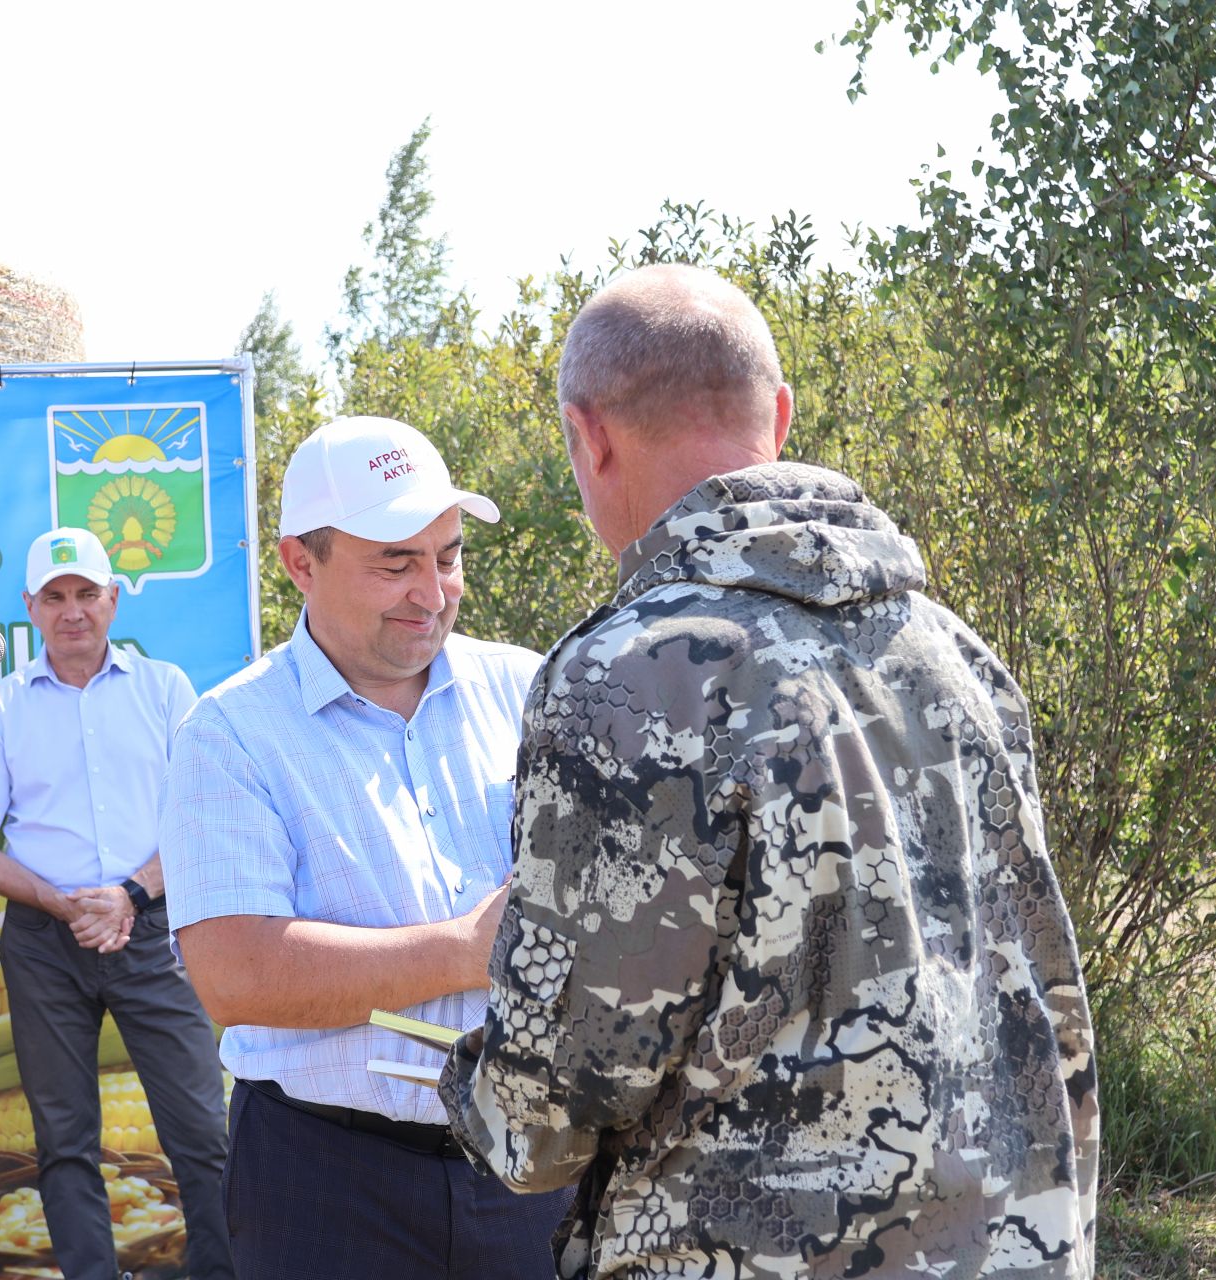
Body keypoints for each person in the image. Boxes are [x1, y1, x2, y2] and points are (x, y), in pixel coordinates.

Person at [439, 263, 1101, 1278]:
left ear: (591, 434)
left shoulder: (632, 674)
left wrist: (476, 1091)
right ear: (778, 415)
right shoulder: (955, 653)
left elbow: (559, 1094)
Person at [160, 415, 574, 1279]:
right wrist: (464, 951)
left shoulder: (533, 687)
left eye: (448, 555)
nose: (433, 591)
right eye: (395, 562)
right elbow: (234, 976)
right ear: (299, 564)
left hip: (529, 1166)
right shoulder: (230, 734)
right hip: (326, 1182)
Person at [0, 527, 231, 1280]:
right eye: (55, 597)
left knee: (204, 1131)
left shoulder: (167, 688)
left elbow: (200, 818)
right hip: (45, 942)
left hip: (153, 930)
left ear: (113, 598)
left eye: (85, 594)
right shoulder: (1, 706)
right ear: (30, 609)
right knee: (65, 1142)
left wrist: (130, 894)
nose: (72, 610)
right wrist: (60, 901)